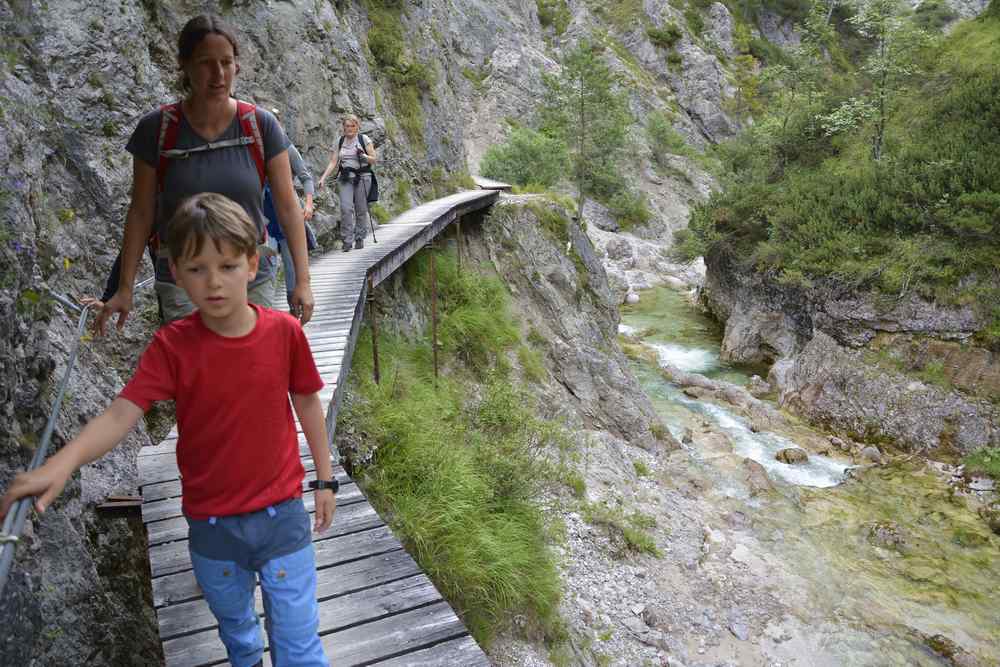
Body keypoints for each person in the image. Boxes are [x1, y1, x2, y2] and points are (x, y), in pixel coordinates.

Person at [1, 193, 335, 667]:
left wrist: (324, 480)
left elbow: (306, 401)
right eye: (197, 268)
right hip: (212, 526)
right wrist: (61, 463)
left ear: (252, 264)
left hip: (282, 516)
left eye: (227, 265)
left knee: (300, 648)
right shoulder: (172, 347)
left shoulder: (284, 333)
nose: (214, 282)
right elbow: (122, 413)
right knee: (239, 635)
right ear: (175, 273)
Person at [95, 14, 315, 334]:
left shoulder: (261, 126)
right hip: (183, 279)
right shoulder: (156, 131)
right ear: (184, 65)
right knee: (199, 379)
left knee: (252, 375)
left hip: (251, 276)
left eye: (226, 62)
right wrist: (124, 287)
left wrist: (304, 282)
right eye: (205, 63)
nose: (218, 74)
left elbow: (287, 207)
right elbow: (141, 212)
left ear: (236, 65)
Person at [263, 135, 316, 305]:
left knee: (291, 271)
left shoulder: (286, 147)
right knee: (266, 267)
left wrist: (308, 204)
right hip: (263, 218)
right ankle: (266, 313)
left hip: (287, 216)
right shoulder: (252, 150)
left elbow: (305, 177)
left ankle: (295, 315)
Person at [317, 114, 377, 252]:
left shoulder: (364, 139)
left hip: (363, 176)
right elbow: (333, 162)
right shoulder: (340, 141)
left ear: (357, 126)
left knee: (361, 209)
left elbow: (373, 159)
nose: (349, 129)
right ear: (343, 127)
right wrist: (323, 178)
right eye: (346, 126)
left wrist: (363, 156)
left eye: (352, 126)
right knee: (345, 208)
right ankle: (347, 241)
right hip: (345, 177)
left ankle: (359, 237)